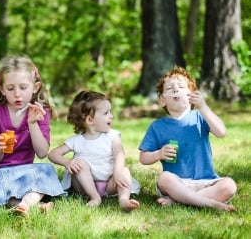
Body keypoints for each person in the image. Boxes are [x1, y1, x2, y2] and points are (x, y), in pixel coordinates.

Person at [0, 55, 66, 217]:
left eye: (23, 88)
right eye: (11, 89)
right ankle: (28, 205)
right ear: (2, 89)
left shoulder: (40, 112)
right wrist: (0, 147)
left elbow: (41, 152)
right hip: (0, 172)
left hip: (26, 172)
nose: (17, 94)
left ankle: (23, 204)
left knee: (46, 169)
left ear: (35, 87)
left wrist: (32, 124)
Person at [138, 66, 237, 212]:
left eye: (181, 86)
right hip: (176, 184)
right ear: (162, 101)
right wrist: (158, 154)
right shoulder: (157, 126)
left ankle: (178, 201)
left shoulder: (200, 116)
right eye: (170, 88)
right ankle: (210, 203)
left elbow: (221, 132)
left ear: (191, 95)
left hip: (206, 182)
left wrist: (203, 107)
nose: (175, 89)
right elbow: (143, 158)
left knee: (229, 185)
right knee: (164, 178)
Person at [48, 90, 140, 211]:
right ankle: (95, 197)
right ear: (90, 120)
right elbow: (53, 154)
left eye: (110, 112)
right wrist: (67, 163)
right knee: (80, 163)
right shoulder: (77, 140)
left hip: (110, 184)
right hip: (84, 185)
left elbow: (119, 154)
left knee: (124, 171)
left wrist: (117, 173)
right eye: (106, 113)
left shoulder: (112, 136)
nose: (111, 116)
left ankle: (123, 200)